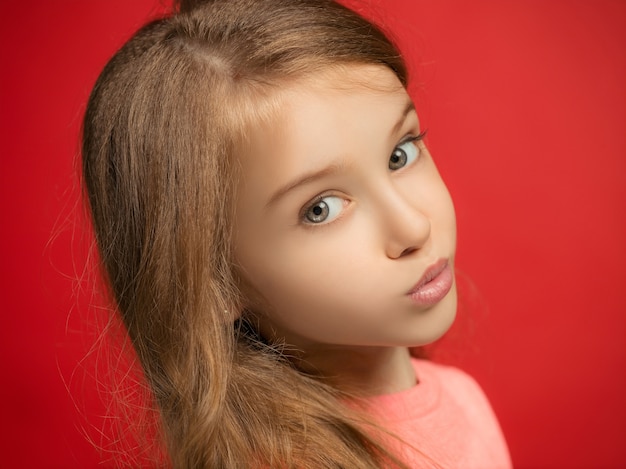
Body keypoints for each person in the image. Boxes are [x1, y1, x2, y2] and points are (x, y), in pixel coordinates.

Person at [81, 0, 512, 467]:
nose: (413, 226)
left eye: (400, 154)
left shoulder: (460, 398)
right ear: (211, 284)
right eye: (320, 209)